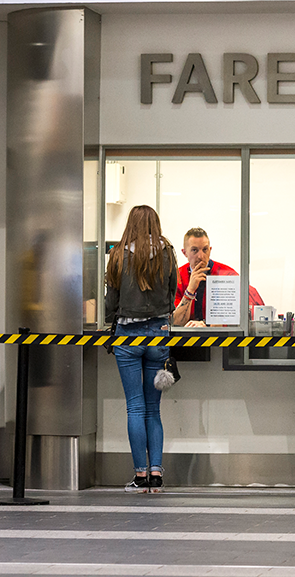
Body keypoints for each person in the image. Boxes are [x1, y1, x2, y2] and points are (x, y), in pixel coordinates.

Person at [105, 205, 178, 493]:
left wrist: (113, 315)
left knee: (135, 406)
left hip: (127, 335)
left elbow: (112, 299)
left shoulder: (119, 253)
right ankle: (157, 474)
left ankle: (140, 475)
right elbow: (173, 291)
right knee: (153, 409)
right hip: (158, 333)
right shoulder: (167, 251)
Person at [172, 227, 263, 326]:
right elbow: (176, 323)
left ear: (210, 250)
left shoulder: (227, 275)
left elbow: (248, 315)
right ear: (184, 252)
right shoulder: (177, 277)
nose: (201, 256)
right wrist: (190, 290)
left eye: (205, 249)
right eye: (194, 250)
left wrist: (206, 326)